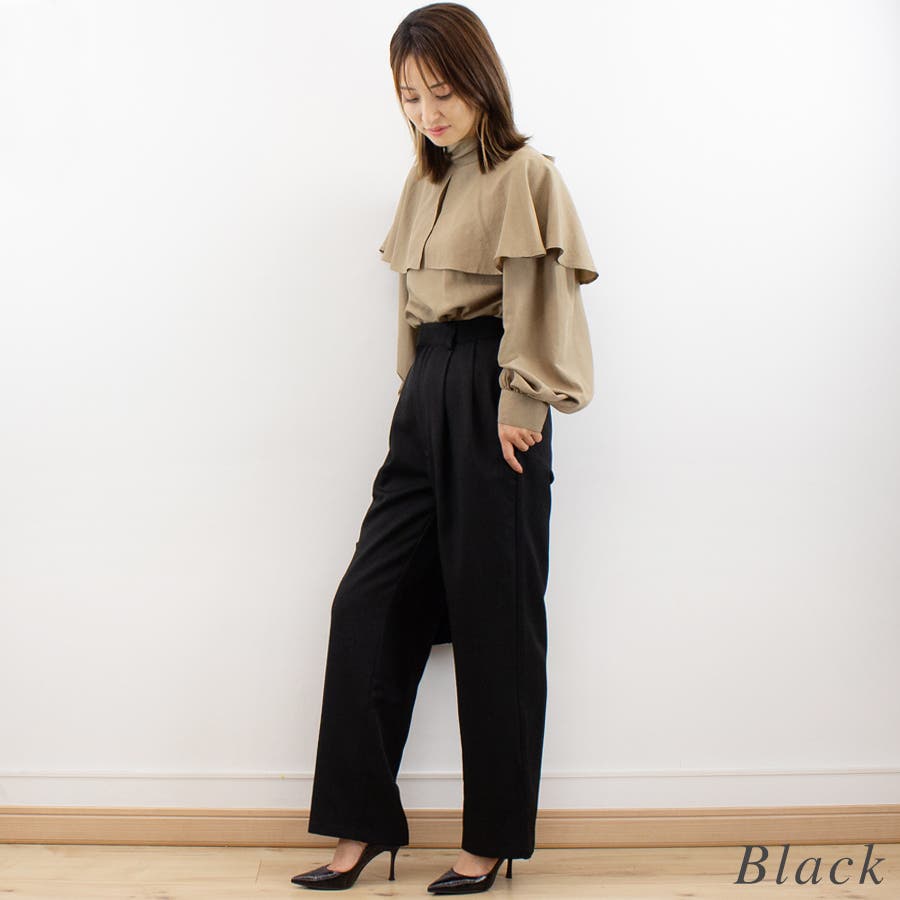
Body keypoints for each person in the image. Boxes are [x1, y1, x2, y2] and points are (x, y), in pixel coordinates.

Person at [291, 2, 597, 894]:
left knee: (497, 622)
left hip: (498, 394)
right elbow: (412, 305)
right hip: (426, 395)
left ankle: (491, 840)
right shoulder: (421, 181)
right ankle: (359, 824)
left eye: (442, 91)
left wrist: (523, 399)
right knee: (367, 604)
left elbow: (544, 294)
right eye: (409, 95)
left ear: (480, 82)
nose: (427, 111)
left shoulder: (526, 174)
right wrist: (414, 398)